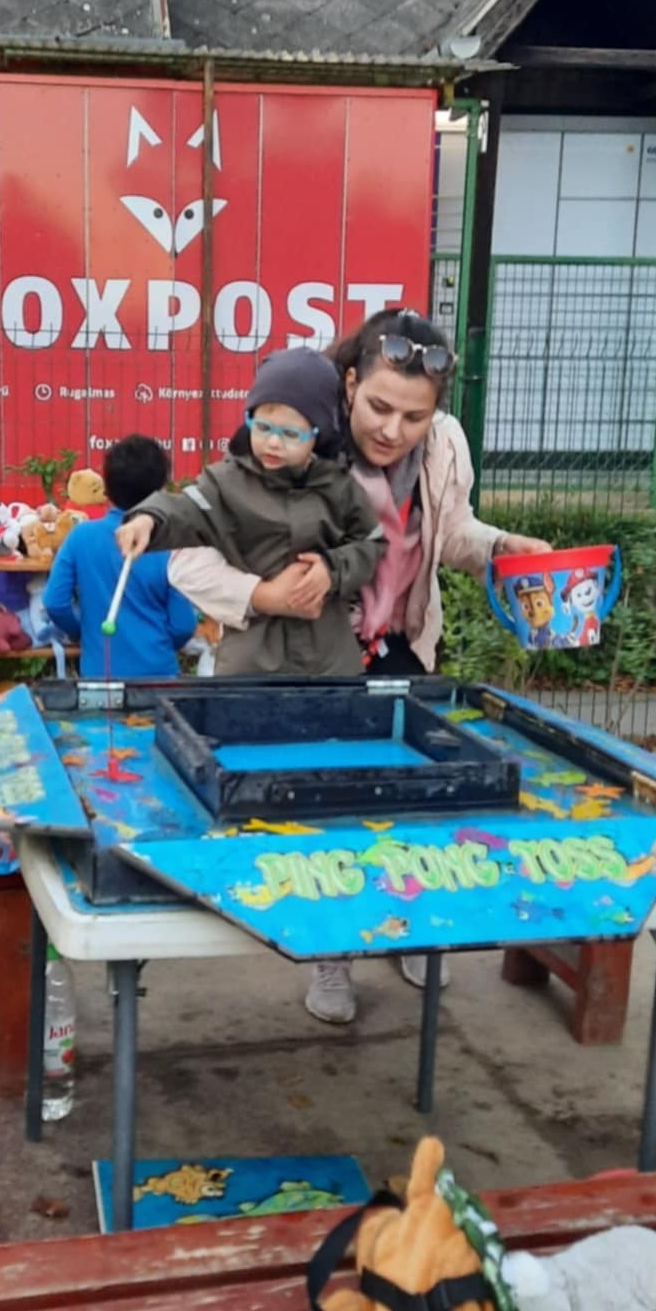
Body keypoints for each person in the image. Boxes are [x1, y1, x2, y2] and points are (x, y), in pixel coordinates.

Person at [167, 310, 551, 1021]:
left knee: (415, 803)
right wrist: (260, 594)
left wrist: (502, 547)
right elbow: (187, 558)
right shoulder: (294, 435)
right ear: (348, 385)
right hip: (316, 653)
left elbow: (451, 534)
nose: (393, 430)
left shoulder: (443, 446)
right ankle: (333, 953)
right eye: (378, 407)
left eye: (414, 416)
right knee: (329, 808)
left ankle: (410, 927)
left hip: (402, 646)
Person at [116, 348, 384, 674]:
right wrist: (148, 519)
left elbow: (371, 541)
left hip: (329, 661)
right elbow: (185, 508)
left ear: (319, 434)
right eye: (263, 427)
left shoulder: (339, 486)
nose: (273, 443)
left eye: (290, 434)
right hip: (251, 660)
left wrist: (333, 570)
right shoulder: (226, 484)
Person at [43, 434, 198, 677]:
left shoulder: (80, 537)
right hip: (159, 675)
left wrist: (83, 632)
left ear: (106, 488)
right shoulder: (172, 546)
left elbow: (54, 601)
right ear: (161, 490)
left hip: (100, 675)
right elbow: (183, 625)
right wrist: (157, 645)